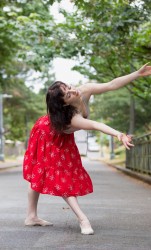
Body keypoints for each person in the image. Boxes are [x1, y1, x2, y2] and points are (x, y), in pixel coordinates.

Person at [23, 62, 151, 235]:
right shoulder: (71, 117)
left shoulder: (84, 90)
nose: (74, 91)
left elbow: (111, 85)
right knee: (55, 175)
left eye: (69, 87)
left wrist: (137, 73)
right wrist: (117, 133)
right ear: (65, 105)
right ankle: (82, 220)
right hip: (46, 134)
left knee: (54, 174)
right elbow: (95, 124)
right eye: (69, 95)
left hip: (63, 137)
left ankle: (31, 216)